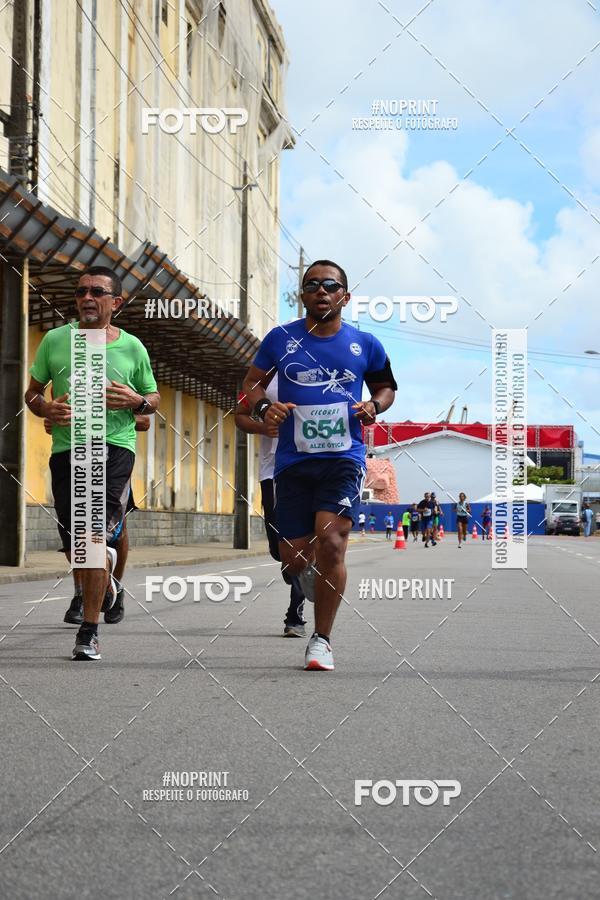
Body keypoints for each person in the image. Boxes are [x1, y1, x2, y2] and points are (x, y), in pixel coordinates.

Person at [242, 259, 397, 671]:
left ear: (345, 296)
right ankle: (311, 571)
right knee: (291, 559)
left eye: (330, 285)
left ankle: (321, 639)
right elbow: (252, 384)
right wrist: (265, 407)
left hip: (344, 457)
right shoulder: (280, 339)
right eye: (312, 285)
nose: (321, 291)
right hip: (292, 462)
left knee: (332, 541)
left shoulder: (365, 344)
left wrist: (373, 405)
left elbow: (385, 387)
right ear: (303, 296)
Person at [25, 266, 160, 661]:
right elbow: (32, 393)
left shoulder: (132, 347)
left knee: (93, 536)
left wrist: (137, 401)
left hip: (114, 448)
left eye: (97, 292)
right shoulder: (55, 340)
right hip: (67, 449)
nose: (87, 298)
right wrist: (46, 408)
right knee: (75, 542)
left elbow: (152, 399)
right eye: (81, 291)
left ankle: (89, 631)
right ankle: (99, 580)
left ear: (115, 302)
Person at [50, 414, 150, 625]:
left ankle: (115, 586)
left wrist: (97, 419)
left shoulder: (118, 392)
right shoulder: (68, 392)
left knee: (115, 530)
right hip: (74, 457)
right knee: (77, 533)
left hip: (112, 458)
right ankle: (81, 593)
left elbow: (144, 421)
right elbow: (51, 420)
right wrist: (54, 417)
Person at [235, 375, 307, 637]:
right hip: (272, 472)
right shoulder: (263, 378)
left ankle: (295, 616)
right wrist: (263, 428)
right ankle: (294, 567)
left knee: (300, 544)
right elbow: (240, 415)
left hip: (309, 468)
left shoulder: (318, 373)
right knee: (280, 550)